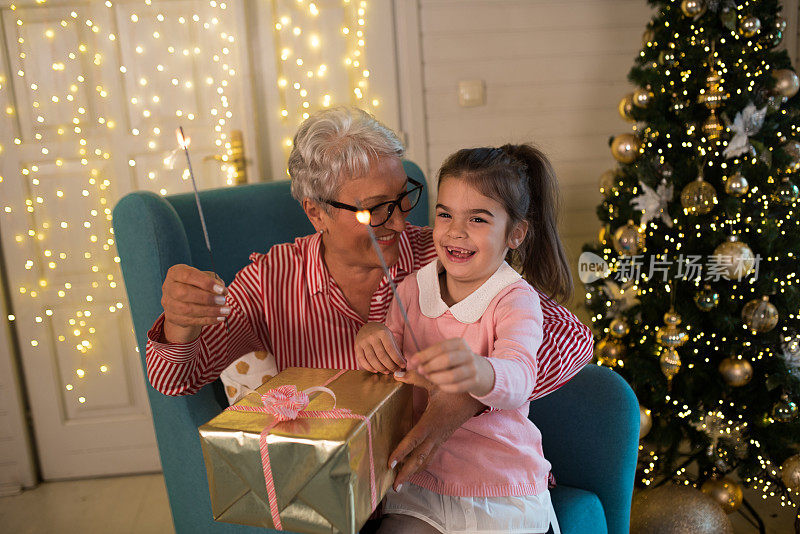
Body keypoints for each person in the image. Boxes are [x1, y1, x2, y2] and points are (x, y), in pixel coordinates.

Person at [145, 106, 592, 501]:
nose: (400, 222)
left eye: (404, 198)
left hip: (456, 489)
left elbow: (573, 341)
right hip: (340, 495)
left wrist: (465, 399)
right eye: (376, 209)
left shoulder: (439, 256)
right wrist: (180, 326)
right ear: (316, 212)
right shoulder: (271, 281)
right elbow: (174, 379)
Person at [355, 144, 570, 534]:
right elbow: (386, 384)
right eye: (445, 214)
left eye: (478, 219)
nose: (455, 231)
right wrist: (372, 340)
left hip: (501, 486)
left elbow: (519, 378)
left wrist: (478, 372)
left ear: (515, 234)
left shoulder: (515, 298)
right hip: (422, 484)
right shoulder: (409, 291)